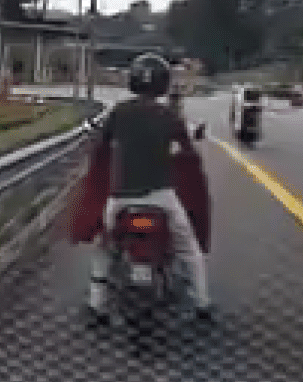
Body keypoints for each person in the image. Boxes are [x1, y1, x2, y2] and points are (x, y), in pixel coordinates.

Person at [72, 53, 213, 322]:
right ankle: (202, 303)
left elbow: (99, 142)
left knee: (105, 246)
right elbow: (188, 148)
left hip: (120, 198)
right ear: (163, 84)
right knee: (188, 249)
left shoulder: (119, 112)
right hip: (162, 197)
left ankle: (96, 305)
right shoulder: (168, 116)